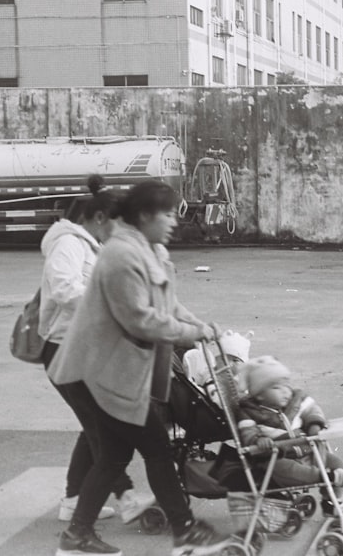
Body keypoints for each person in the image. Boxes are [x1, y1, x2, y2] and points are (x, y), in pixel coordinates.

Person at [48, 179, 230, 556]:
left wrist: (203, 328)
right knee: (157, 448)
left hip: (117, 372)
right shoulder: (121, 256)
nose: (173, 222)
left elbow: (168, 306)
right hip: (99, 373)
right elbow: (141, 320)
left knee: (114, 456)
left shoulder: (146, 250)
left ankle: (77, 535)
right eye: (166, 214)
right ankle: (184, 530)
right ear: (144, 215)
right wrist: (191, 332)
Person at [39, 174, 154, 525]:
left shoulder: (92, 244)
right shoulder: (69, 244)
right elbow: (64, 289)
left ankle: (74, 500)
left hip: (84, 346)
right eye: (119, 225)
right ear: (101, 217)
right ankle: (126, 497)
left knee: (94, 424)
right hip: (64, 348)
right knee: (103, 426)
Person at [234, 356, 343, 494]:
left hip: (309, 452)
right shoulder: (250, 412)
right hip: (279, 458)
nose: (285, 391)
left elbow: (311, 410)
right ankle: (325, 477)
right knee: (286, 468)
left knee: (338, 466)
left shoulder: (296, 400)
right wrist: (258, 440)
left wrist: (314, 425)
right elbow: (248, 432)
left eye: (286, 384)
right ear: (259, 395)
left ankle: (331, 503)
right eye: (276, 387)